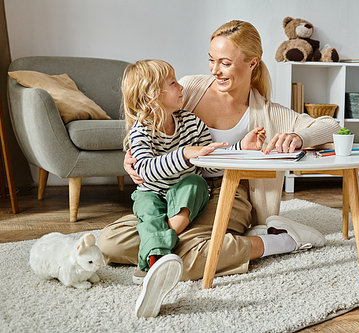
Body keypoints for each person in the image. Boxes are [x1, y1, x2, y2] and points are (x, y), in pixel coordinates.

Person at [97, 20, 341, 317]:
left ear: (252, 63)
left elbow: (332, 126)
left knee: (181, 250)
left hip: (227, 191)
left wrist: (300, 136)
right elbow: (148, 122)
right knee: (109, 242)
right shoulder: (189, 89)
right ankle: (170, 253)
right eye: (211, 60)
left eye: (225, 63)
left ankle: (279, 241)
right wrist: (131, 156)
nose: (215, 70)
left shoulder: (267, 112)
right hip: (176, 189)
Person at [121, 59, 267, 318]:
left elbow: (209, 163)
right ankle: (155, 264)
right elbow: (145, 169)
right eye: (173, 83)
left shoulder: (191, 122)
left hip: (187, 191)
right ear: (152, 95)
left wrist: (241, 147)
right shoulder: (141, 130)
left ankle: (154, 253)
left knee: (195, 182)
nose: (181, 88)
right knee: (147, 210)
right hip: (153, 193)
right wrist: (185, 154)